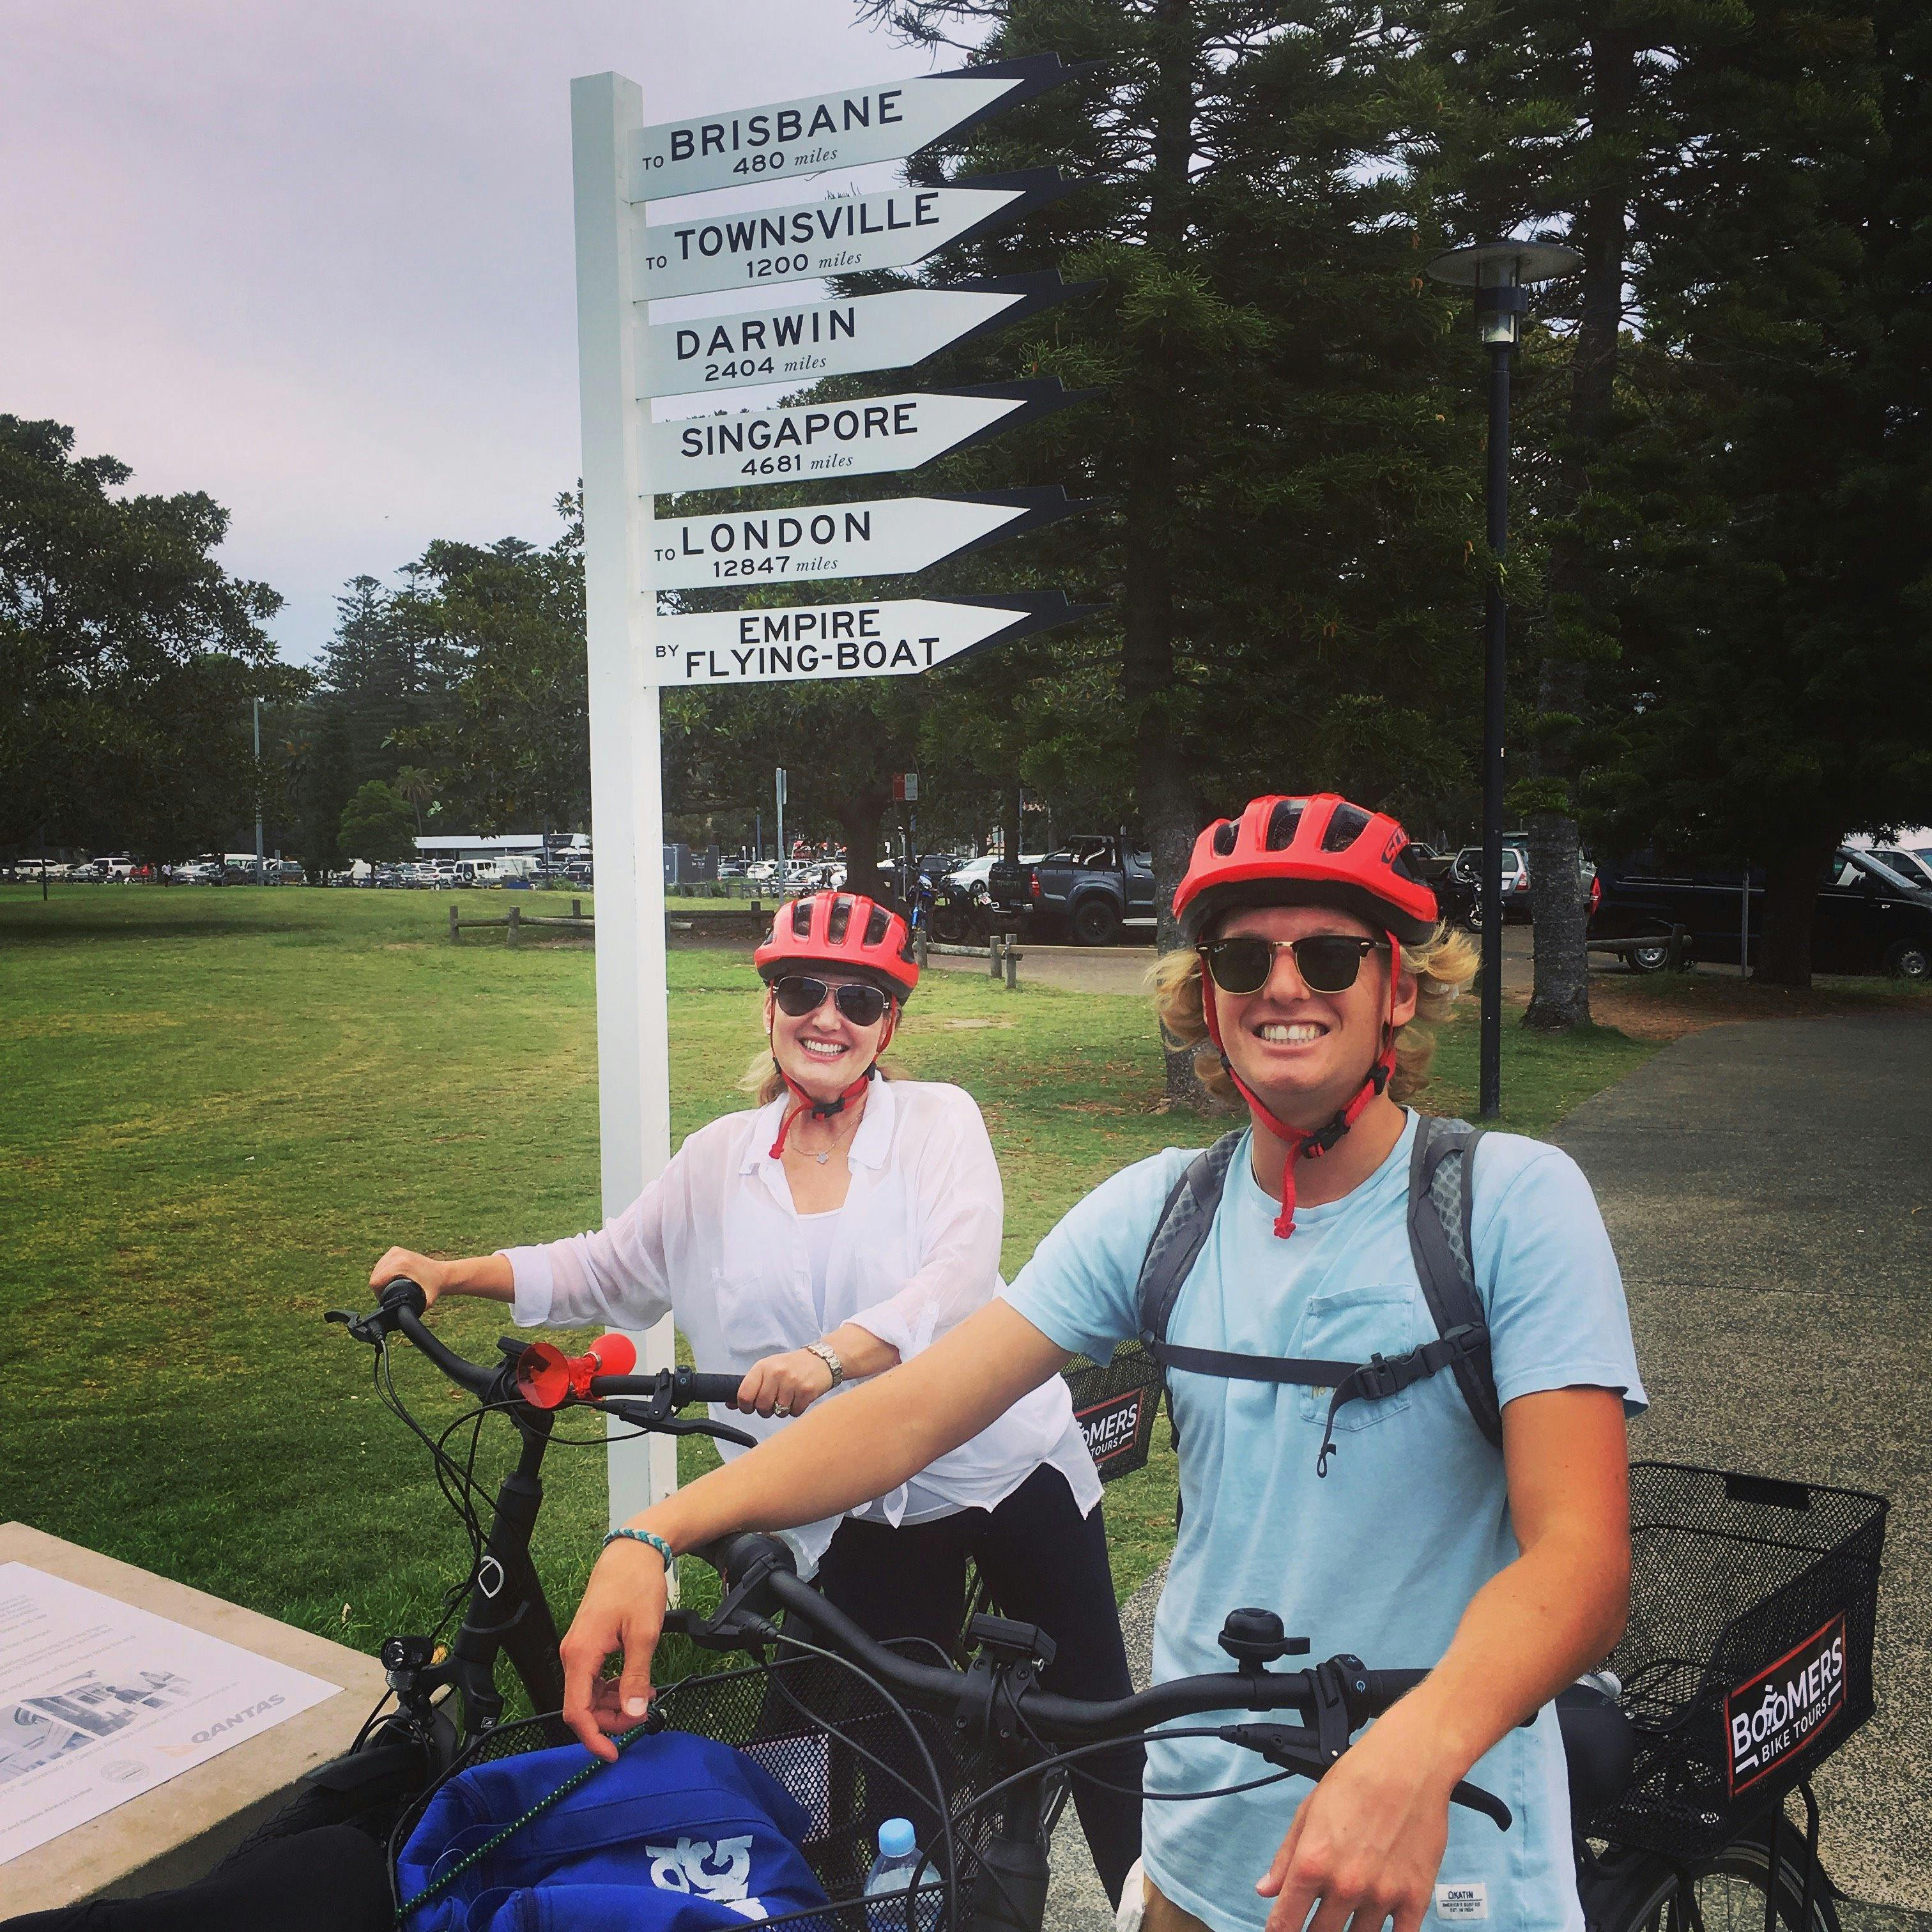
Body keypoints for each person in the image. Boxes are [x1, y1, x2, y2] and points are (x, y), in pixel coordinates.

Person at [558, 795, 1645, 1932]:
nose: (1283, 985)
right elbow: (907, 1413)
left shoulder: (1508, 1204)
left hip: (1441, 1840)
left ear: (1400, 990)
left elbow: (1580, 1559)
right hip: (1203, 1831)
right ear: (1206, 997)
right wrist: (655, 1532)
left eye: (1328, 954)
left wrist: (1418, 1747)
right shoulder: (1164, 1211)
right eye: (1241, 957)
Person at [369, 888, 1142, 1903]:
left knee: (1094, 1711)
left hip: (1003, 1461)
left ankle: (1145, 1892)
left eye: (860, 1000)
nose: (829, 1016)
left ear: (890, 1024)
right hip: (856, 1502)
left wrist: (832, 1357)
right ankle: (932, 1907)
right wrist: (449, 1269)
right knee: (883, 1745)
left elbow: (957, 1278)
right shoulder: (718, 1162)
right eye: (803, 991)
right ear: (769, 1008)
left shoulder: (937, 1123)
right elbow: (606, 1266)